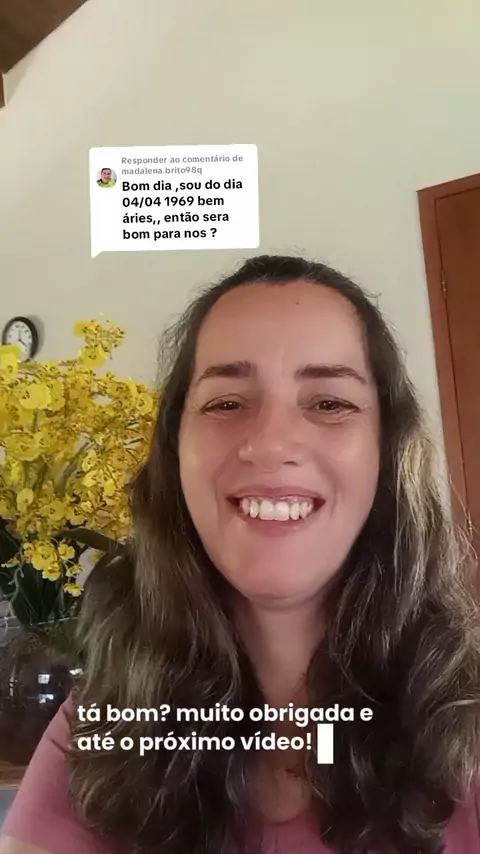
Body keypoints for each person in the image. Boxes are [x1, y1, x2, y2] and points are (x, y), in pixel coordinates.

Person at [1, 254, 479, 854]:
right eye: (226, 403)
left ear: (388, 450)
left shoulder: (467, 725)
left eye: (330, 403)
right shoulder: (101, 728)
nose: (272, 443)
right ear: (175, 452)